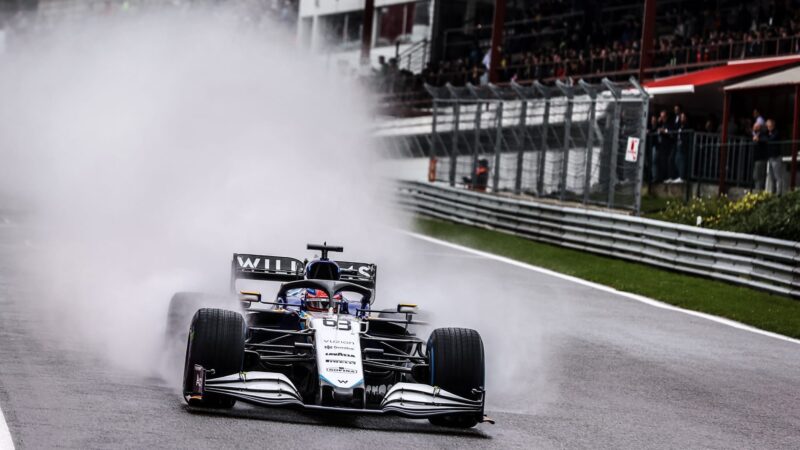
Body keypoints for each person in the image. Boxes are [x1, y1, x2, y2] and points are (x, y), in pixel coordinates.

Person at [763, 119, 784, 195]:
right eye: (767, 125)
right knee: (771, 176)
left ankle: (779, 193)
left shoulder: (776, 132)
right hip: (770, 157)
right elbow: (763, 137)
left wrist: (765, 138)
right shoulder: (767, 133)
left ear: (772, 125)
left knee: (777, 176)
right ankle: (773, 192)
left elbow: (771, 139)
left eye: (769, 125)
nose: (768, 127)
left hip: (776, 157)